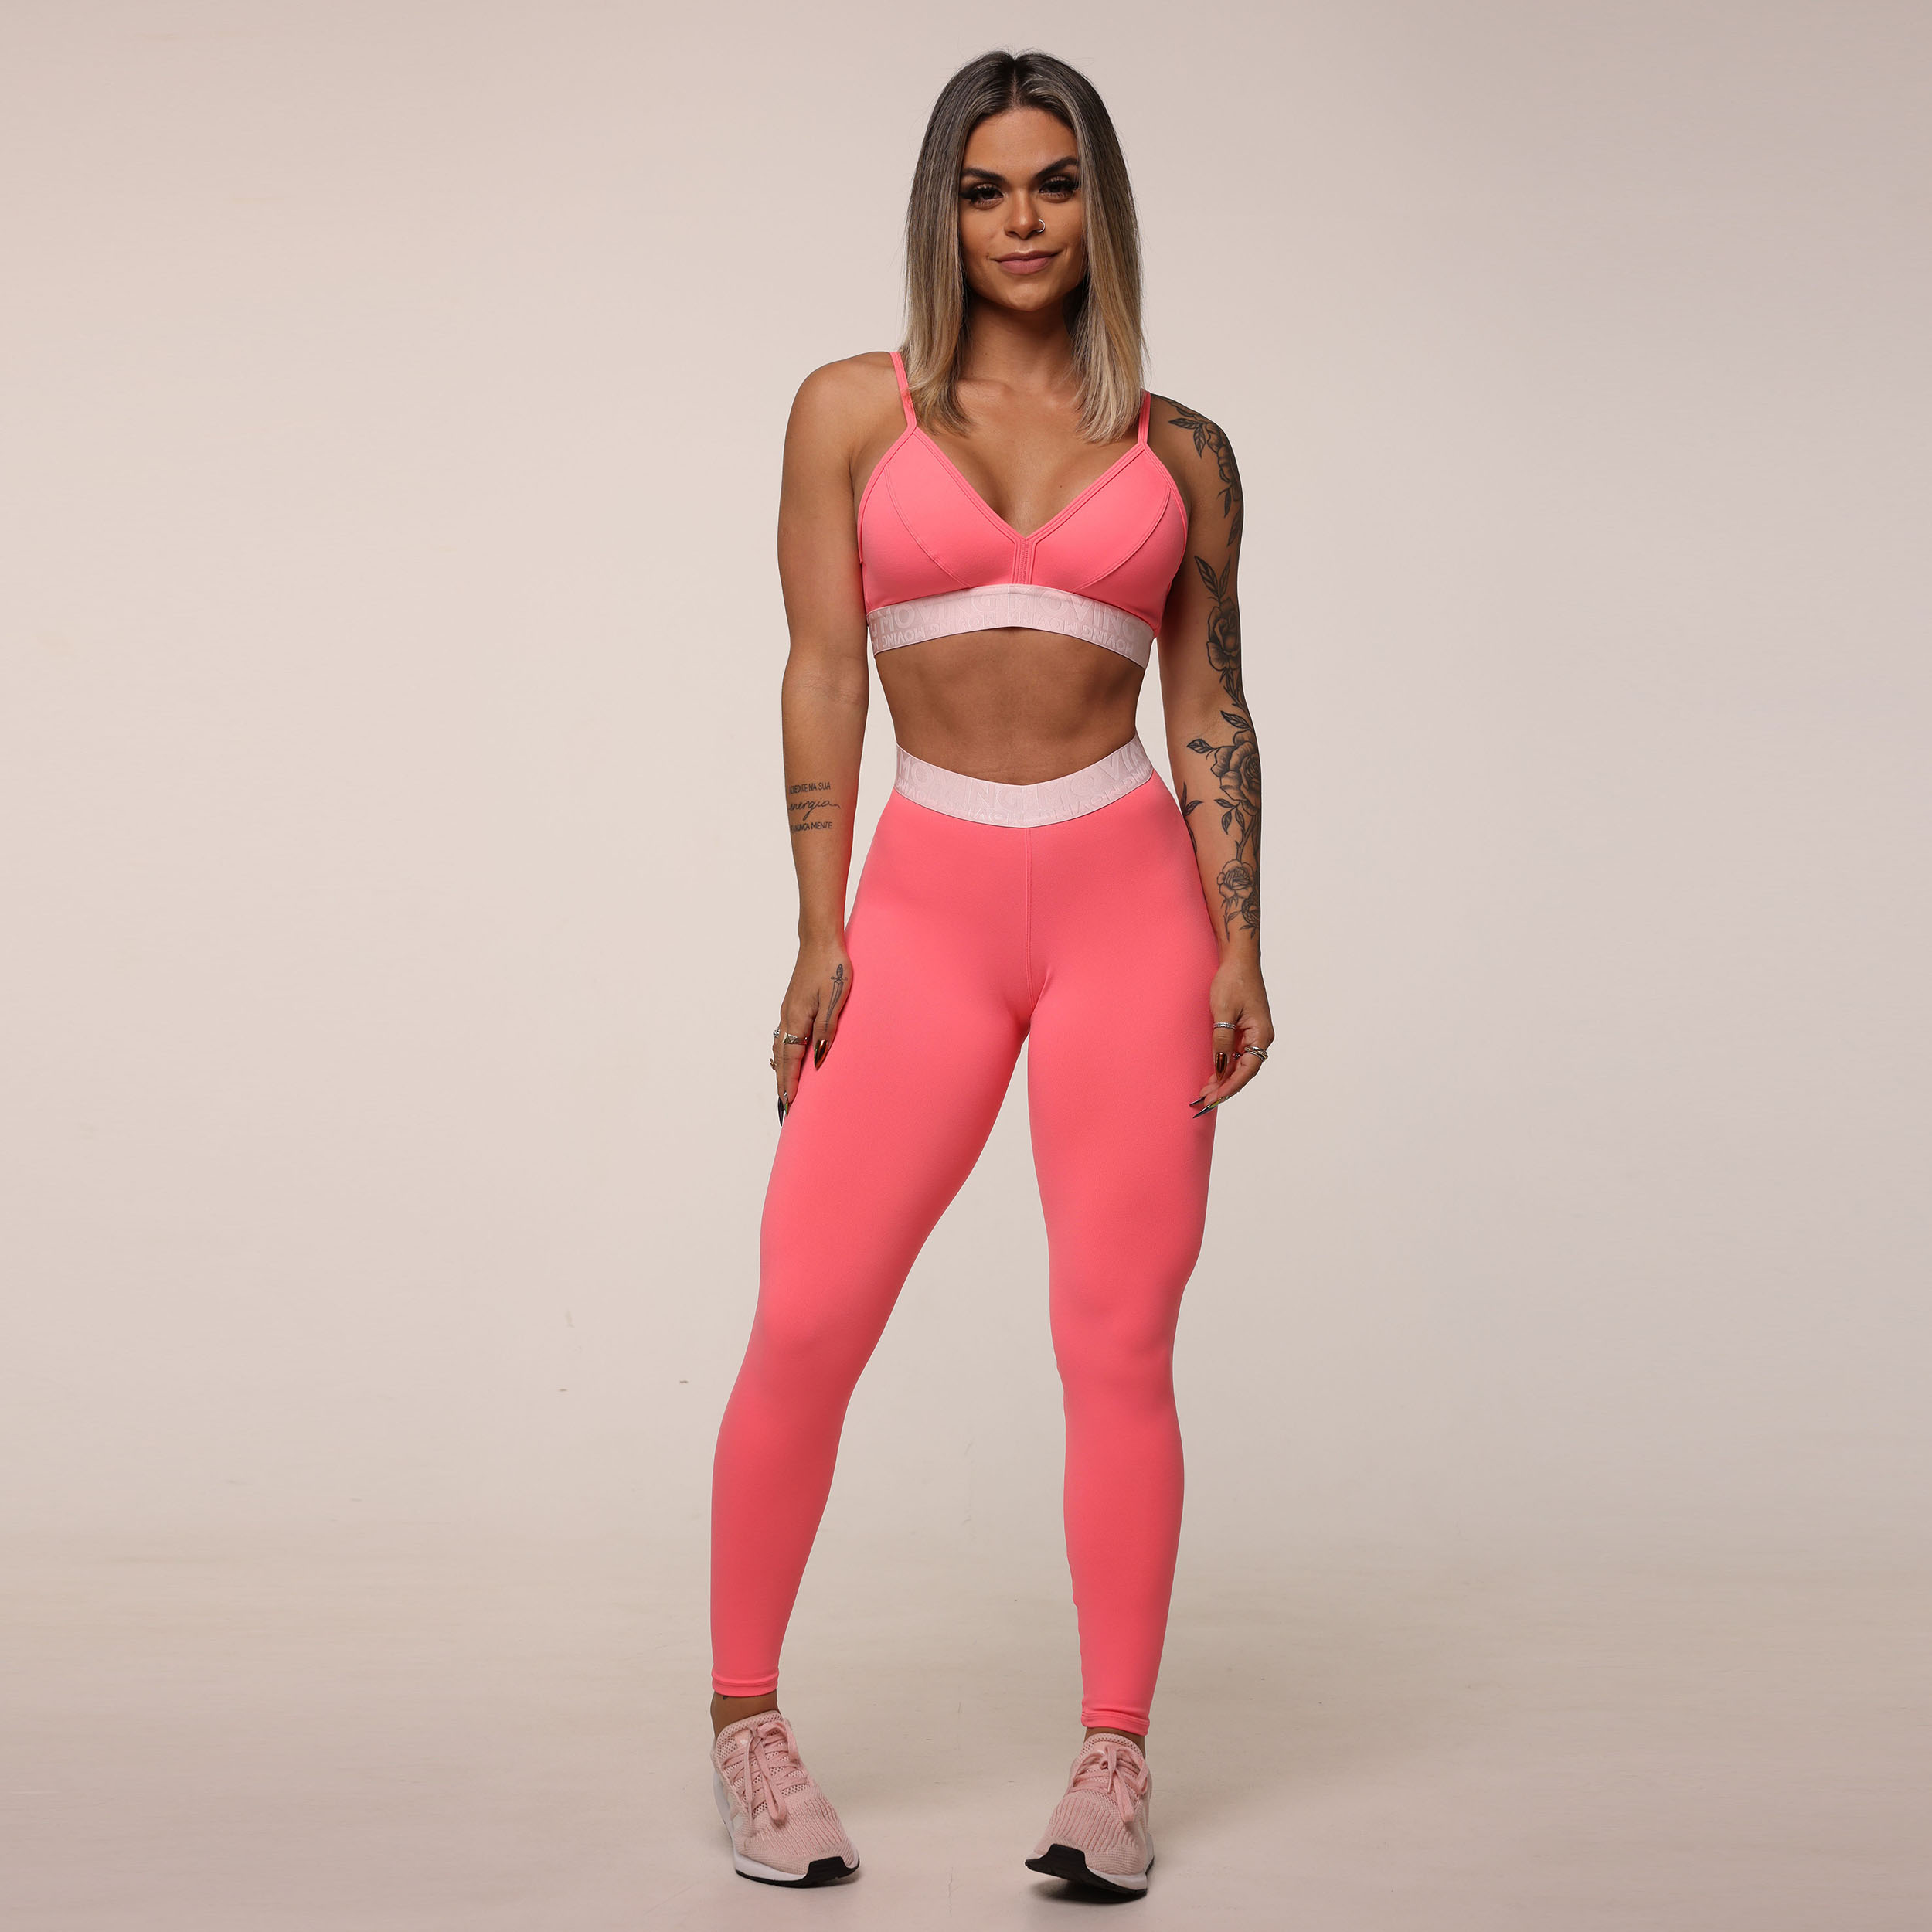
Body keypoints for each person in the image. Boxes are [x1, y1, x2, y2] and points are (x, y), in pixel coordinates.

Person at [706, 48, 1272, 1898]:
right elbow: (820, 667)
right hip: (925, 899)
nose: (1018, 221)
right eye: (982, 188)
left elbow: (1207, 702)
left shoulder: (1182, 451)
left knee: (1115, 1334)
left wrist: (1241, 933)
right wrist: (818, 924)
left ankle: (1111, 1759)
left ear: (1097, 203)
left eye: (1050, 183)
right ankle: (745, 1722)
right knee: (807, 1309)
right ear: (939, 210)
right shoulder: (847, 412)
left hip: (1128, 902)